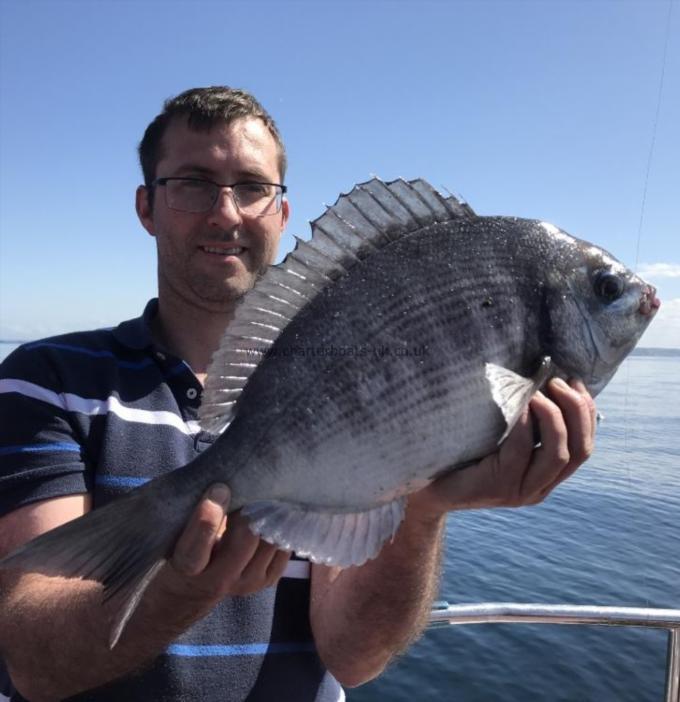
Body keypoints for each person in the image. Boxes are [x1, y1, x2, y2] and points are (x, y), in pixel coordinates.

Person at [0, 87, 596, 702]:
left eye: (253, 187)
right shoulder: (47, 379)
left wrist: (422, 508)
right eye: (193, 184)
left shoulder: (370, 386)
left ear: (283, 214)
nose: (226, 214)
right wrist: (180, 591)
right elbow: (32, 662)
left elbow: (352, 656)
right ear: (147, 206)